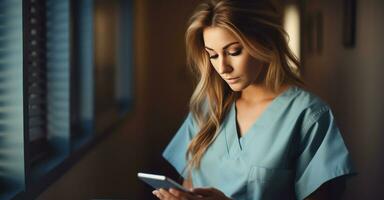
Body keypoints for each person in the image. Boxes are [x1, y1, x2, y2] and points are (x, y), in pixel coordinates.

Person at [155, 0, 356, 199]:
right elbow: (188, 186)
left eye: (234, 51)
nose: (223, 67)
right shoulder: (206, 108)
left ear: (265, 41)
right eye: (213, 55)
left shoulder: (308, 116)